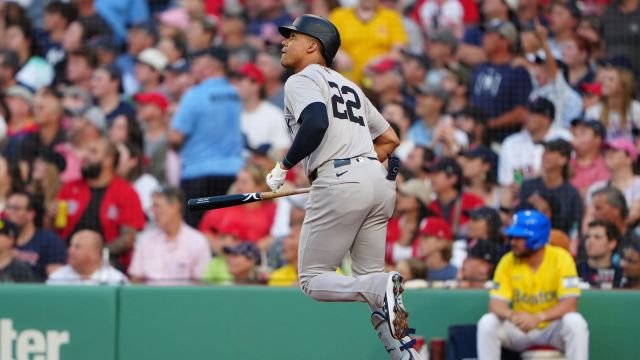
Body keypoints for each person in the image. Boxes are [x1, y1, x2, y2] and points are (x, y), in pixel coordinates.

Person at [266, 15, 421, 359]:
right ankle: (407, 355)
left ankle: (378, 286)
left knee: (313, 279)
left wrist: (284, 165)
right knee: (372, 287)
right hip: (378, 184)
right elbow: (390, 138)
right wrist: (361, 164)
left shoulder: (301, 78)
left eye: (292, 36)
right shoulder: (350, 85)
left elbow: (316, 121)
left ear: (313, 45)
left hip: (341, 181)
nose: (284, 41)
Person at [477, 210, 589, 360]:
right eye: (512, 237)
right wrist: (512, 315)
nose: (512, 242)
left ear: (535, 238)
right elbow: (495, 304)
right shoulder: (507, 261)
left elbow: (570, 304)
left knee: (575, 322)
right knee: (487, 322)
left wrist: (538, 317)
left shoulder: (561, 258)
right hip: (519, 327)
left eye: (519, 238)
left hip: (550, 328)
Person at [169, 46, 243, 227]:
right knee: (224, 230)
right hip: (233, 173)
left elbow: (175, 138)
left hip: (198, 174)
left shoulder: (195, 95)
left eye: (197, 64)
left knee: (196, 230)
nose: (193, 68)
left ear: (210, 67)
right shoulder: (235, 94)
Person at [55, 137, 145, 270]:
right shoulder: (69, 187)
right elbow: (55, 229)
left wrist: (96, 254)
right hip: (66, 259)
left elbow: (128, 238)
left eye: (93, 152)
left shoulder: (126, 192)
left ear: (108, 160)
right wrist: (50, 215)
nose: (85, 156)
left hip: (107, 262)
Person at [129, 187, 211, 285]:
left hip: (184, 298)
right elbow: (135, 280)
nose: (153, 212)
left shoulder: (197, 241)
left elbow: (202, 284)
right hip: (150, 298)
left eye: (157, 206)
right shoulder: (145, 240)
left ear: (174, 206)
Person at [470, 19, 532, 143]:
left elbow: (522, 112)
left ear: (505, 41)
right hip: (474, 136)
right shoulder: (480, 68)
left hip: (503, 140)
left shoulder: (517, 71)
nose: (484, 38)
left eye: (490, 35)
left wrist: (489, 124)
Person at [498, 98, 572, 188]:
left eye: (533, 113)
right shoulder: (511, 143)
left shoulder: (564, 137)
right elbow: (507, 181)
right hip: (520, 196)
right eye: (528, 112)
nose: (527, 117)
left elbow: (570, 172)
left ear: (547, 119)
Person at [329, 0, 408, 84]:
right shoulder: (338, 15)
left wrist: (381, 61)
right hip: (347, 76)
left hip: (380, 78)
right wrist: (339, 54)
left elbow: (399, 50)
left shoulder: (391, 16)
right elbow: (328, 44)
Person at [518, 139, 583, 235]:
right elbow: (520, 218)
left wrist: (546, 212)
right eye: (544, 151)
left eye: (550, 152)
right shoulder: (528, 186)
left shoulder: (571, 194)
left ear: (563, 159)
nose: (544, 155)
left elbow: (573, 229)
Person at [6, 191, 67, 281]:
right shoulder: (3, 240)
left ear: (31, 214)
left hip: (39, 292)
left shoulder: (49, 240)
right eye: (8, 208)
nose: (10, 213)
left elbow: (57, 275)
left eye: (16, 208)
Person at [233, 62, 291, 157]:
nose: (235, 85)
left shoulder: (273, 114)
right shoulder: (229, 114)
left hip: (262, 170)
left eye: (240, 80)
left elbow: (282, 152)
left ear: (255, 85)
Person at [585, 138, 640, 226]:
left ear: (629, 158)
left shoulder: (638, 184)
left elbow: (634, 215)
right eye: (607, 151)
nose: (609, 154)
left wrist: (610, 231)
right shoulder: (597, 187)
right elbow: (588, 219)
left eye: (615, 150)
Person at [427, 157, 484, 238]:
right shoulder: (431, 206)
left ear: (453, 179)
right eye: (431, 174)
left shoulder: (473, 202)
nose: (431, 178)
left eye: (436, 174)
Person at [47, 230, 128, 285]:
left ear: (95, 254)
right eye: (70, 246)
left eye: (77, 247)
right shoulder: (58, 277)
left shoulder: (116, 280)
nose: (70, 251)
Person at [585, 64, 640, 140]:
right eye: (604, 79)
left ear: (623, 86)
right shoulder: (593, 111)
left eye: (610, 79)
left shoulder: (637, 109)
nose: (604, 82)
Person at [577, 219, 623, 289]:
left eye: (597, 237)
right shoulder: (575, 270)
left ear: (612, 244)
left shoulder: (620, 275)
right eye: (588, 237)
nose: (590, 242)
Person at [569, 119, 610, 197]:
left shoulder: (605, 166)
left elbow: (598, 195)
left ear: (597, 140)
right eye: (575, 134)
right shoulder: (566, 162)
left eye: (583, 133)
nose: (577, 136)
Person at [416, 216, 458, 281]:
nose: (420, 240)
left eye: (426, 237)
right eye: (420, 236)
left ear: (442, 242)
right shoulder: (415, 270)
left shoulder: (455, 275)